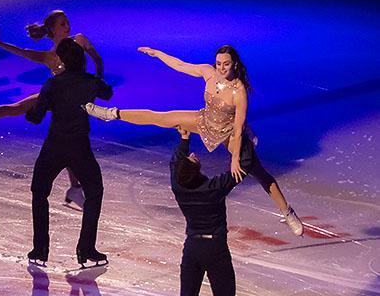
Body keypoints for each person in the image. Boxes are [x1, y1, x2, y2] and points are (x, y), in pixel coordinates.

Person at [84, 45, 303, 236]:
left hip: (229, 133)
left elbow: (237, 127)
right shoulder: (209, 73)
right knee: (160, 117)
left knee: (258, 172)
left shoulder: (239, 91)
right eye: (218, 63)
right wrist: (158, 54)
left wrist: (235, 158)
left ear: (234, 64)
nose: (221, 68)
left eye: (226, 64)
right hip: (205, 121)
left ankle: (287, 211)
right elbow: (180, 65)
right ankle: (112, 114)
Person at [0, 10, 104, 209]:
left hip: (75, 95)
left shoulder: (79, 40)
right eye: (62, 24)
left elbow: (97, 59)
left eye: (67, 21)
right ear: (51, 30)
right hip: (59, 96)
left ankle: (75, 188)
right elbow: (21, 51)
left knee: (69, 141)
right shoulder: (48, 56)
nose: (67, 25)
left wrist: (98, 80)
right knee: (17, 107)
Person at [25, 37, 112, 267]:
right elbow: (107, 93)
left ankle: (40, 249)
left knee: (39, 192)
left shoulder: (52, 84)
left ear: (62, 59)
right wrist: (95, 70)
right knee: (94, 192)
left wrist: (30, 111)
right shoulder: (89, 81)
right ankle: (86, 249)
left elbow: (36, 118)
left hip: (54, 145)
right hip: (79, 146)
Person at [171, 126, 251, 296]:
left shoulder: (179, 187)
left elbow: (175, 163)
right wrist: (241, 137)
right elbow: (244, 167)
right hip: (216, 252)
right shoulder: (214, 188)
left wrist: (184, 139)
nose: (192, 155)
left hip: (193, 250)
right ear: (196, 170)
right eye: (191, 157)